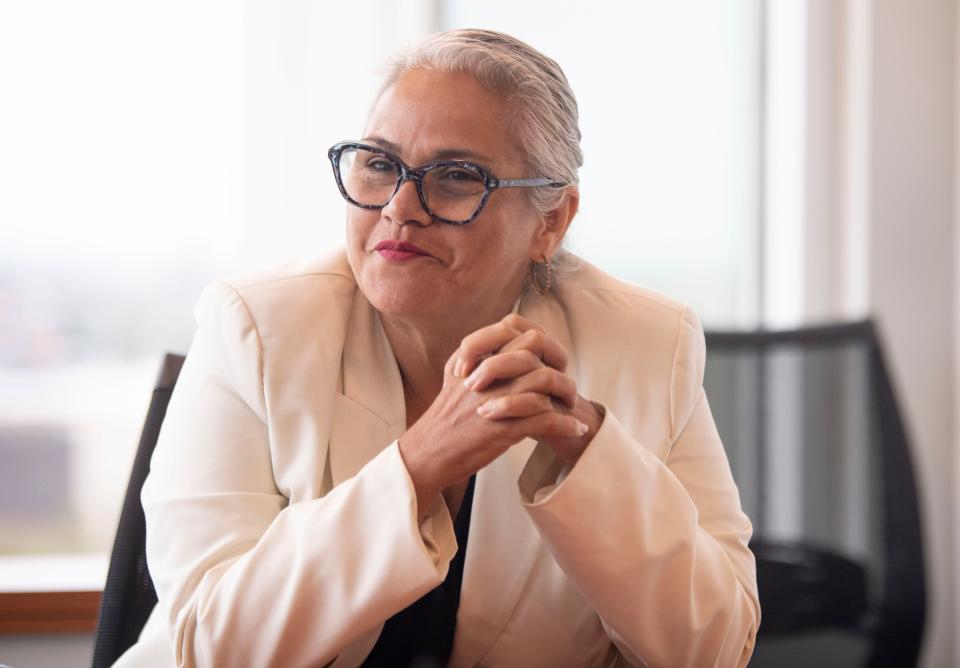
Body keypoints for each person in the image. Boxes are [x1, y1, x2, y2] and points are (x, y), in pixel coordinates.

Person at [116, 28, 759, 668]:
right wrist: (417, 466)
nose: (400, 207)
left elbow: (714, 651)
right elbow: (212, 649)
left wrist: (591, 454)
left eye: (456, 177)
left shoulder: (649, 343)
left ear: (551, 222)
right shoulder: (254, 326)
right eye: (378, 164)